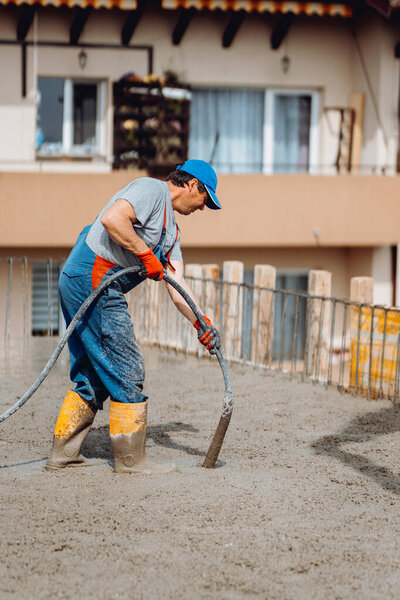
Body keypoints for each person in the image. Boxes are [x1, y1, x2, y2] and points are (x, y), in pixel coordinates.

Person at [45, 160, 222, 474]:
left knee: (96, 372)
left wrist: (200, 321)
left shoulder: (172, 233)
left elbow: (176, 282)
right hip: (94, 278)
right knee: (127, 365)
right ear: (193, 184)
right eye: (206, 199)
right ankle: (131, 461)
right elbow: (114, 219)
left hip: (88, 281)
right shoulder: (151, 190)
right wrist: (143, 253)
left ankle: (64, 453)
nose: (204, 208)